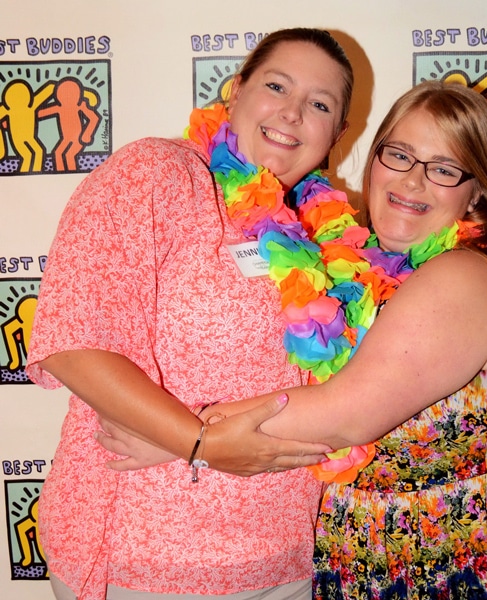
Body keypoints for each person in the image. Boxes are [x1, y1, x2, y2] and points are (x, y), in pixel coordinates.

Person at [97, 81, 487, 599]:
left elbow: (345, 412)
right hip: (364, 559)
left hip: (438, 568)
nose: (412, 181)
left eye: (443, 169)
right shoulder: (373, 273)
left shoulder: (462, 277)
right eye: (400, 155)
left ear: (478, 195)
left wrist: (183, 433)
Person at [26, 27, 355, 600]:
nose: (293, 112)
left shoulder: (330, 234)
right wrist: (200, 441)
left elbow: (345, 391)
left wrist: (206, 425)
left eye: (320, 104)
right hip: (146, 565)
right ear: (237, 90)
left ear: (338, 134)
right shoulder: (156, 175)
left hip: (291, 562)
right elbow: (74, 345)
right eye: (277, 86)